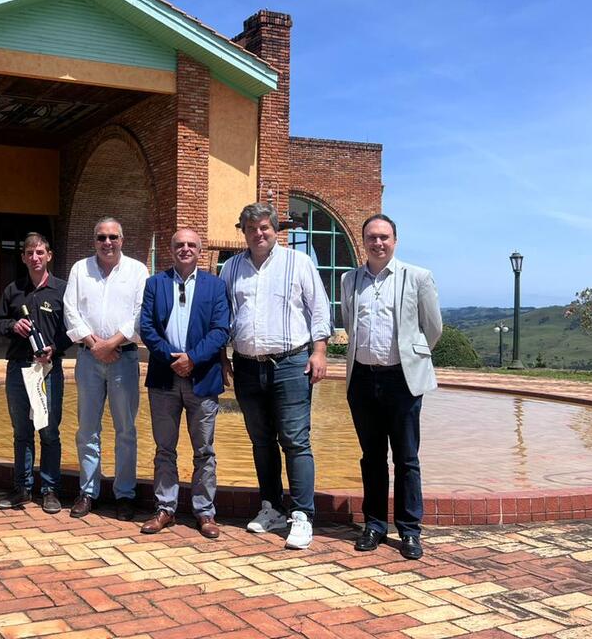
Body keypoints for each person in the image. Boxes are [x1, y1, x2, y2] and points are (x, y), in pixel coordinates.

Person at [220, 202, 331, 549]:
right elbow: (224, 315)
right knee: (261, 440)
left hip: (290, 363)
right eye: (251, 228)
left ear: (275, 229)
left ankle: (302, 515)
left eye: (265, 227)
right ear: (243, 231)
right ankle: (271, 507)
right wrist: (223, 356)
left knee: (296, 440)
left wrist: (320, 351)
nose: (259, 233)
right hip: (247, 365)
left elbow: (319, 308)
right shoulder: (231, 268)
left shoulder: (299, 263)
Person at [341, 214, 442, 560]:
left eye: (384, 237)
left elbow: (433, 328)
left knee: (406, 458)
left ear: (395, 241)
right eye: (371, 237)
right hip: (363, 379)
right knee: (371, 458)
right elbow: (349, 325)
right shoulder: (349, 280)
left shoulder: (417, 277)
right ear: (363, 241)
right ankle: (374, 525)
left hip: (403, 380)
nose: (378, 243)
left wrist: (412, 358)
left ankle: (410, 531)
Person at [138, 228, 230, 539]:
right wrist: (171, 358)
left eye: (191, 245)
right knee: (165, 448)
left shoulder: (215, 286)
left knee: (204, 449)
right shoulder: (155, 283)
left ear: (200, 250)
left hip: (202, 378)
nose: (185, 249)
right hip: (164, 378)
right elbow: (147, 328)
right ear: (171, 248)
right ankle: (165, 508)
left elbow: (221, 330)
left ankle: (205, 512)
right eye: (180, 244)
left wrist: (192, 358)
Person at [63, 217, 149, 520]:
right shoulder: (79, 269)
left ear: (122, 239)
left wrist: (110, 344)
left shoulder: (137, 271)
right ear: (94, 240)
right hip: (88, 358)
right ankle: (88, 492)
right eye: (101, 237)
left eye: (113, 237)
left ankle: (124, 494)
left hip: (124, 357)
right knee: (87, 429)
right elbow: (70, 311)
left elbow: (141, 314)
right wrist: (93, 343)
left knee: (125, 430)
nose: (107, 242)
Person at [0, 233, 72, 514]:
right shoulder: (14, 290)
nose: (35, 257)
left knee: (49, 430)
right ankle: (22, 488)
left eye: (40, 252)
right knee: (21, 431)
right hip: (19, 368)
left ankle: (50, 490)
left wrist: (55, 347)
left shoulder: (62, 290)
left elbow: (71, 330)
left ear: (49, 255)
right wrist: (13, 326)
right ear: (23, 257)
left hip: (49, 369)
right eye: (30, 253)